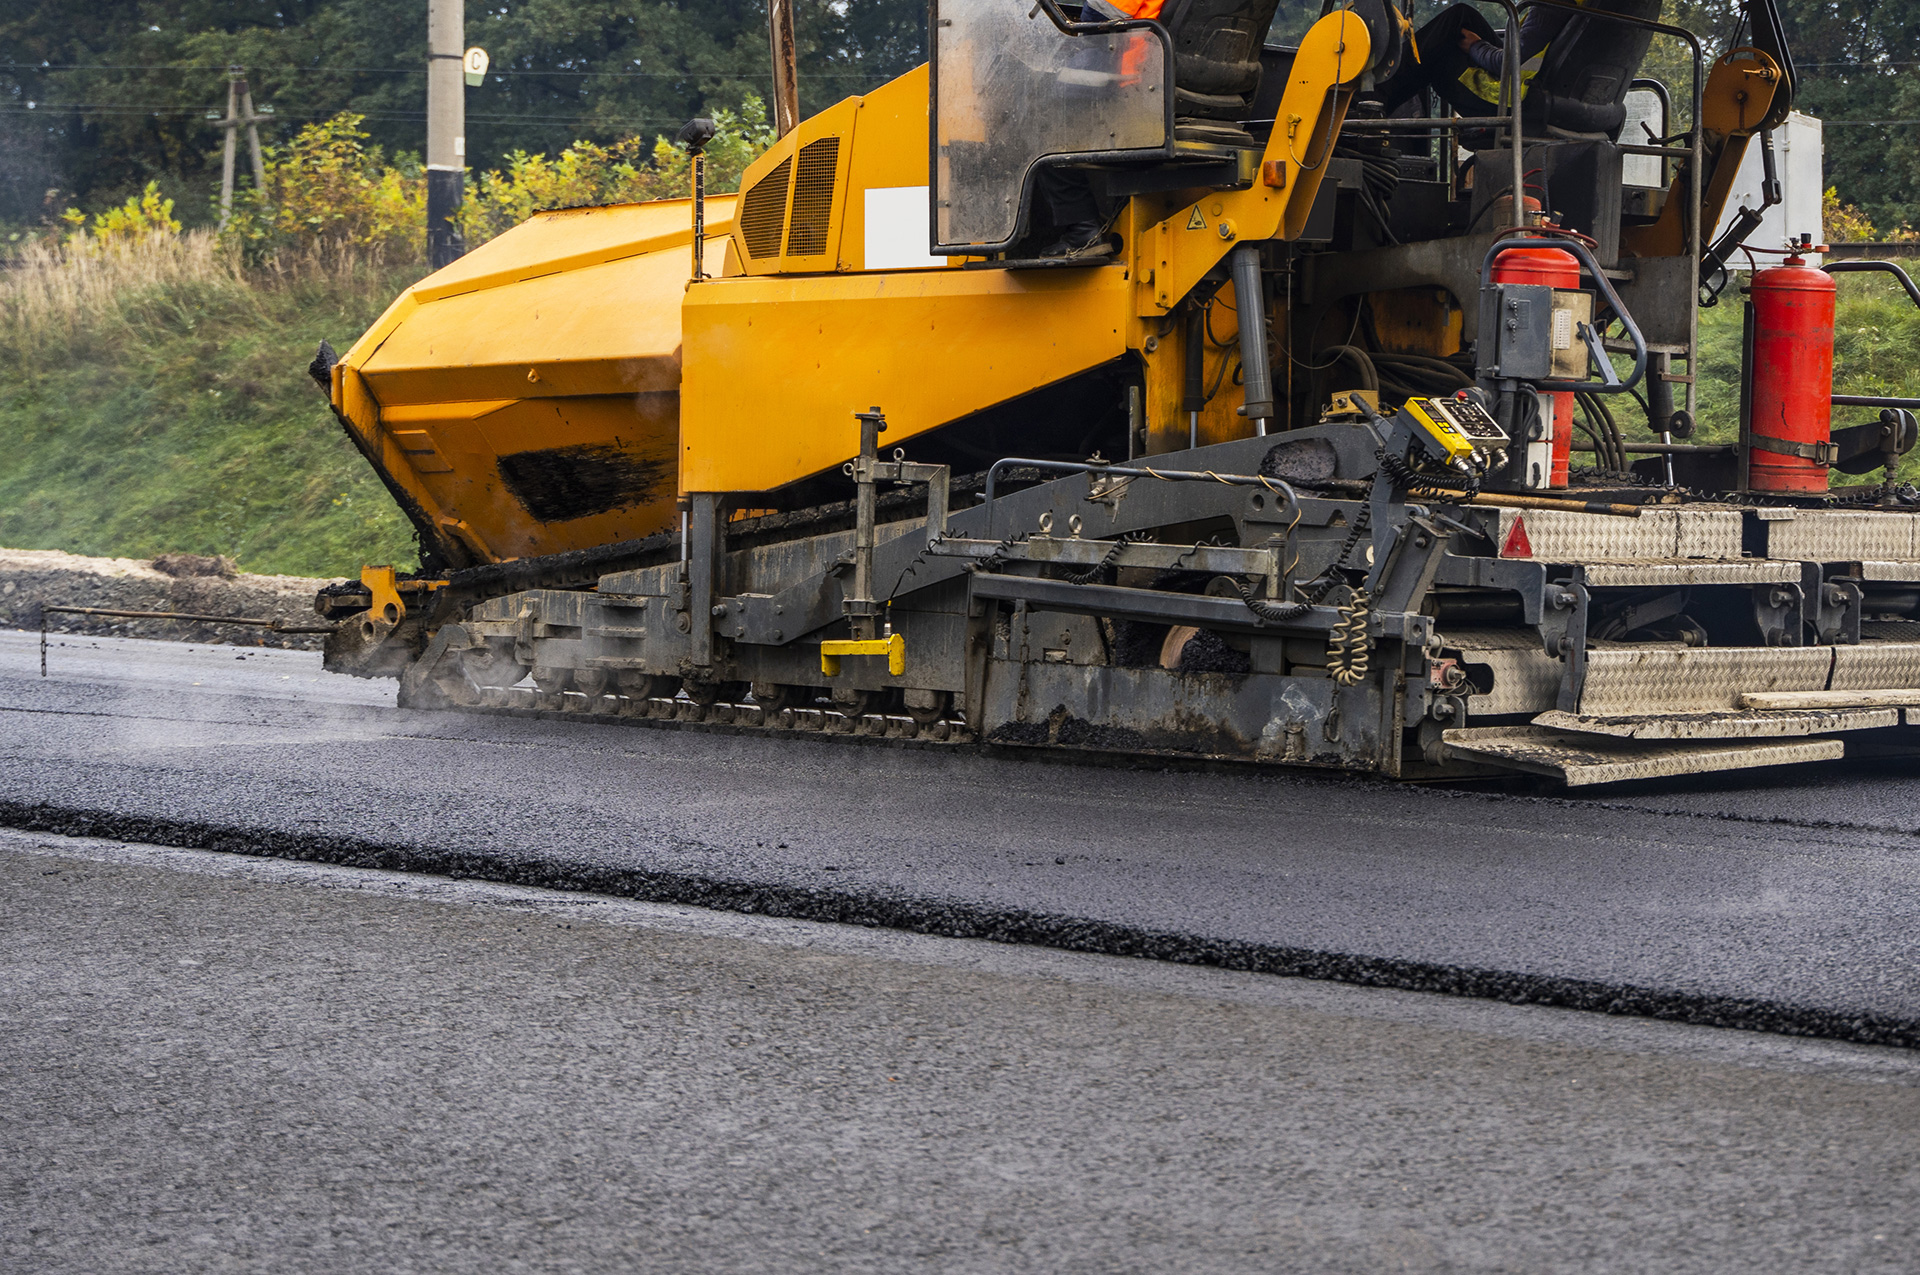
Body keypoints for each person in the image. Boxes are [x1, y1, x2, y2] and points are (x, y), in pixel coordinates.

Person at [1369, 2, 1574, 120]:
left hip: (1515, 98)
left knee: (1442, 57)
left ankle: (1373, 102)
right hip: (1547, 91)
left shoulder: (1551, 7)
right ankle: (1379, 97)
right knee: (1461, 16)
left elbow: (1509, 63)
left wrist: (1477, 46)